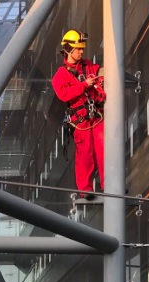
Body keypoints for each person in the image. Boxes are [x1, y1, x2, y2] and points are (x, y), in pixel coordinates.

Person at [51, 29, 105, 199]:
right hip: (81, 120)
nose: (82, 51)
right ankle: (86, 190)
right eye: (78, 49)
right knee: (85, 154)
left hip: (96, 115)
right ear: (68, 49)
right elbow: (63, 94)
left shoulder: (87, 65)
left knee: (105, 149)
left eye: (82, 48)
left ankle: (110, 183)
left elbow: (99, 72)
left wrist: (100, 80)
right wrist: (85, 85)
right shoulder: (60, 75)